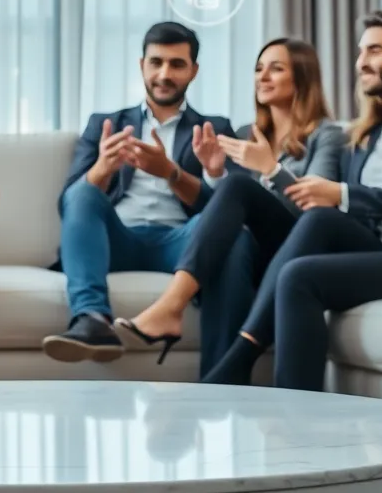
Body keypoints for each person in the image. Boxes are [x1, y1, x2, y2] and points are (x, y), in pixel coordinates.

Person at [201, 11, 382, 390]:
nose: (362, 62)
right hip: (376, 248)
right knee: (319, 221)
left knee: (298, 276)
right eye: (361, 52)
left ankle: (252, 370)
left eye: (375, 51)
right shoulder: (366, 135)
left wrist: (342, 194)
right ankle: (242, 365)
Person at [113, 37, 346, 376]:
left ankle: (171, 306)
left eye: (276, 69)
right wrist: (214, 173)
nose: (262, 77)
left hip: (299, 244)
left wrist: (271, 169)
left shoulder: (327, 135)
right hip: (255, 250)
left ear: (302, 77)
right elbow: (228, 213)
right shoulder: (244, 134)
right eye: (258, 69)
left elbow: (317, 212)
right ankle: (220, 383)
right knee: (234, 243)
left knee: (239, 187)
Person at [41, 21, 256, 364]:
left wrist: (174, 173)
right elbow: (70, 203)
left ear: (194, 71)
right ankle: (92, 320)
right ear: (142, 65)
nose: (164, 74)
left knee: (238, 238)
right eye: (156, 62)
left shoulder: (215, 129)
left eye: (177, 64)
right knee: (82, 193)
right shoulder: (104, 123)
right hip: (115, 240)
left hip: (183, 244)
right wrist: (103, 169)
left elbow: (227, 214)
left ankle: (222, 372)